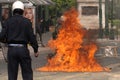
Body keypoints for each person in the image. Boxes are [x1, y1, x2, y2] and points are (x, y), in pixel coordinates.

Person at [0, 1, 39, 80]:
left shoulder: (8, 22)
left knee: (12, 75)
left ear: (13, 10)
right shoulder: (27, 22)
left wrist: (7, 41)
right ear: (22, 11)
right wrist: (35, 49)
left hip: (11, 50)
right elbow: (32, 37)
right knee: (27, 73)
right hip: (23, 49)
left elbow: (1, 36)